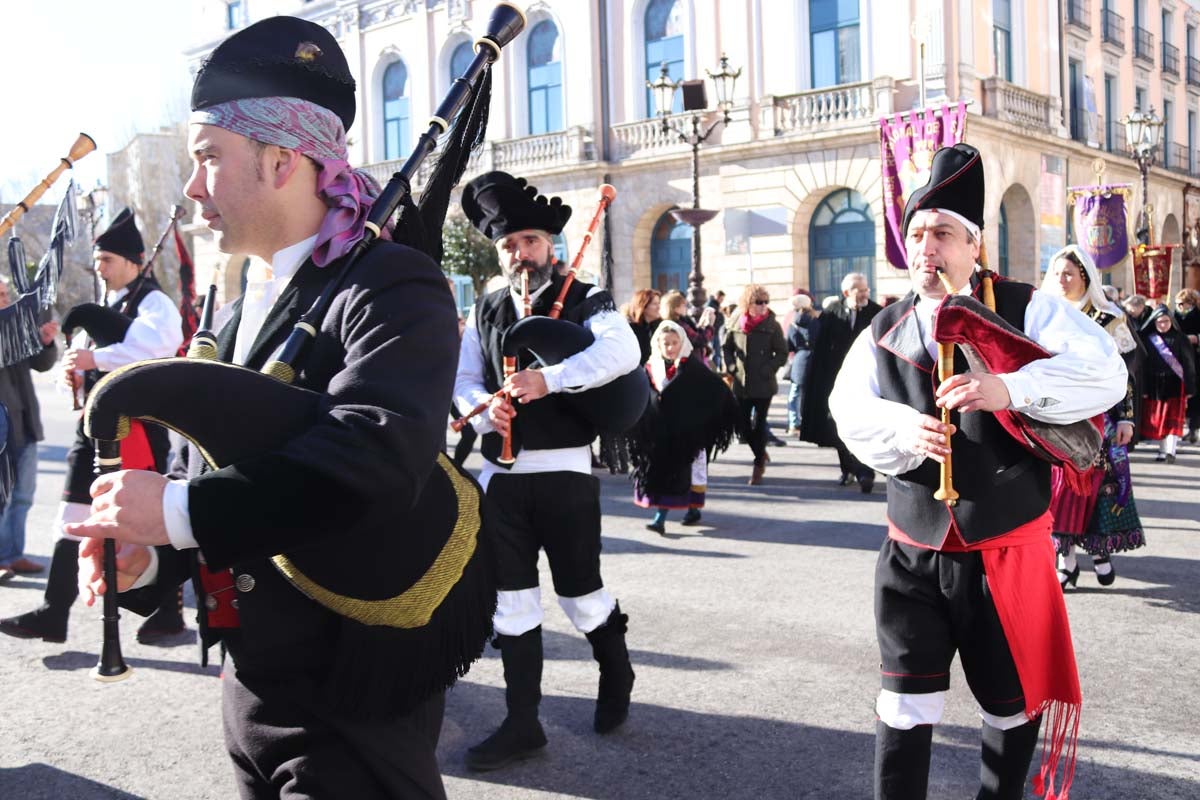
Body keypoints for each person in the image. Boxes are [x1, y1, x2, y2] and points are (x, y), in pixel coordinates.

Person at [63, 17, 489, 798]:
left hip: (351, 703)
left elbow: (375, 456)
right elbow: (213, 476)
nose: (192, 189)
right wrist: (146, 559)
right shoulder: (235, 317)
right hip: (252, 693)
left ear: (282, 161)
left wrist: (179, 511)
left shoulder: (392, 285)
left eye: (208, 160)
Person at [829, 143, 1126, 800]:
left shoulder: (1029, 308)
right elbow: (847, 410)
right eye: (915, 234)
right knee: (904, 707)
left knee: (1008, 707)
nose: (925, 245)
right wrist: (904, 433)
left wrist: (1010, 390)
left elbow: (1107, 373)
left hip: (1005, 555)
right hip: (911, 556)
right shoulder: (885, 326)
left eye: (940, 233)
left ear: (973, 245)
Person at [454, 170, 640, 770]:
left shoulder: (587, 297)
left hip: (564, 475)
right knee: (511, 603)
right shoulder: (484, 308)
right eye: (509, 246)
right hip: (501, 481)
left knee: (581, 595)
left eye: (528, 242)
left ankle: (616, 667)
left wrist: (548, 379)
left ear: (549, 246)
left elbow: (623, 354)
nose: (519, 253)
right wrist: (484, 414)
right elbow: (463, 383)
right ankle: (522, 721)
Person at [1, 208, 183, 644]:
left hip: (137, 430)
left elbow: (157, 347)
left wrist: (94, 359)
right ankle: (53, 611)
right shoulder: (106, 306)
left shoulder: (153, 303)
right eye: (97, 261)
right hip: (94, 430)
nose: (100, 269)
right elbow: (85, 363)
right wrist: (77, 376)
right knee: (73, 515)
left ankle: (169, 613)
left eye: (108, 261)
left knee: (151, 518)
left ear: (135, 263)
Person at [1040, 245, 1146, 588]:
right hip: (1055, 417)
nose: (1062, 279)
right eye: (1057, 273)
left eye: (1069, 273)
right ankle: (1065, 558)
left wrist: (1126, 418)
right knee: (1057, 491)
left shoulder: (1107, 318)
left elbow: (1125, 373)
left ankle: (1099, 552)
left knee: (1094, 490)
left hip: (1098, 420)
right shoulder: (1043, 315)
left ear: (1084, 277)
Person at [632, 321, 737, 533]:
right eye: (666, 343)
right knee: (664, 473)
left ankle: (669, 516)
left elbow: (716, 389)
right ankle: (678, 513)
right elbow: (642, 393)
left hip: (687, 434)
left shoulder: (692, 368)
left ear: (682, 342)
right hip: (660, 432)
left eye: (674, 343)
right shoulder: (651, 368)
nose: (670, 347)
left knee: (681, 473)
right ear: (658, 345)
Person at [801, 271, 882, 492]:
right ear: (847, 292)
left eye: (867, 289)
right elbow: (818, 344)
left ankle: (865, 471)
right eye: (861, 290)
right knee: (838, 426)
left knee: (866, 427)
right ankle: (847, 469)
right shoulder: (832, 313)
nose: (866, 293)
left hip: (867, 382)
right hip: (835, 381)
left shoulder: (877, 313)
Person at [0, 278, 58, 581]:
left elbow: (42, 364)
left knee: (22, 496)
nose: (6, 300)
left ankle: (13, 554)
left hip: (25, 423)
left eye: (6, 294)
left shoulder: (16, 327)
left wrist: (45, 341)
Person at [723, 284, 787, 485]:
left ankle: (758, 464)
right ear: (748, 303)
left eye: (766, 302)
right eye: (759, 302)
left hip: (763, 384)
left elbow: (782, 353)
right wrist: (732, 366)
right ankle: (761, 452)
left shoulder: (772, 325)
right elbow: (727, 347)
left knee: (759, 425)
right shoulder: (735, 323)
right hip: (742, 382)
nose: (763, 306)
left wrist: (768, 369)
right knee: (741, 425)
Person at [1140, 304, 1197, 462]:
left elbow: (1189, 364)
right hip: (1154, 385)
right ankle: (1162, 451)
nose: (1163, 325)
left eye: (1166, 321)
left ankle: (1170, 451)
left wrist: (1190, 386)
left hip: (1175, 385)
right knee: (1159, 420)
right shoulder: (1148, 339)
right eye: (1160, 322)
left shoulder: (1181, 338)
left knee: (1173, 418)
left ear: (1171, 321)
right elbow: (1143, 366)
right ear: (1154, 322)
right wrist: (1144, 388)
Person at [785, 293, 816, 436]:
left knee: (794, 393)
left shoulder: (792, 324)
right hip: (814, 359)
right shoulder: (816, 321)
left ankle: (793, 424)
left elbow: (789, 346)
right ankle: (809, 422)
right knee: (810, 393)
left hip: (799, 360)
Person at [1174, 288, 1200, 442]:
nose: (1182, 307)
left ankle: (1193, 428)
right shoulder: (1174, 316)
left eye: (1185, 304)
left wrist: (1196, 338)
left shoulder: (1197, 315)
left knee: (1195, 396)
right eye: (1180, 304)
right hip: (1177, 360)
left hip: (1196, 360)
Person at [625, 287, 662, 364]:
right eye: (655, 304)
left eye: (659, 303)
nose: (659, 307)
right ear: (643, 307)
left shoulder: (657, 326)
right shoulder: (631, 329)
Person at [706, 289, 727, 368]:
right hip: (712, 332)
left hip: (716, 331)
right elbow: (713, 317)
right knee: (712, 352)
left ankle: (716, 368)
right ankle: (712, 368)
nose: (722, 301)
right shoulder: (712, 305)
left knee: (717, 352)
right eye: (721, 299)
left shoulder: (716, 305)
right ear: (717, 297)